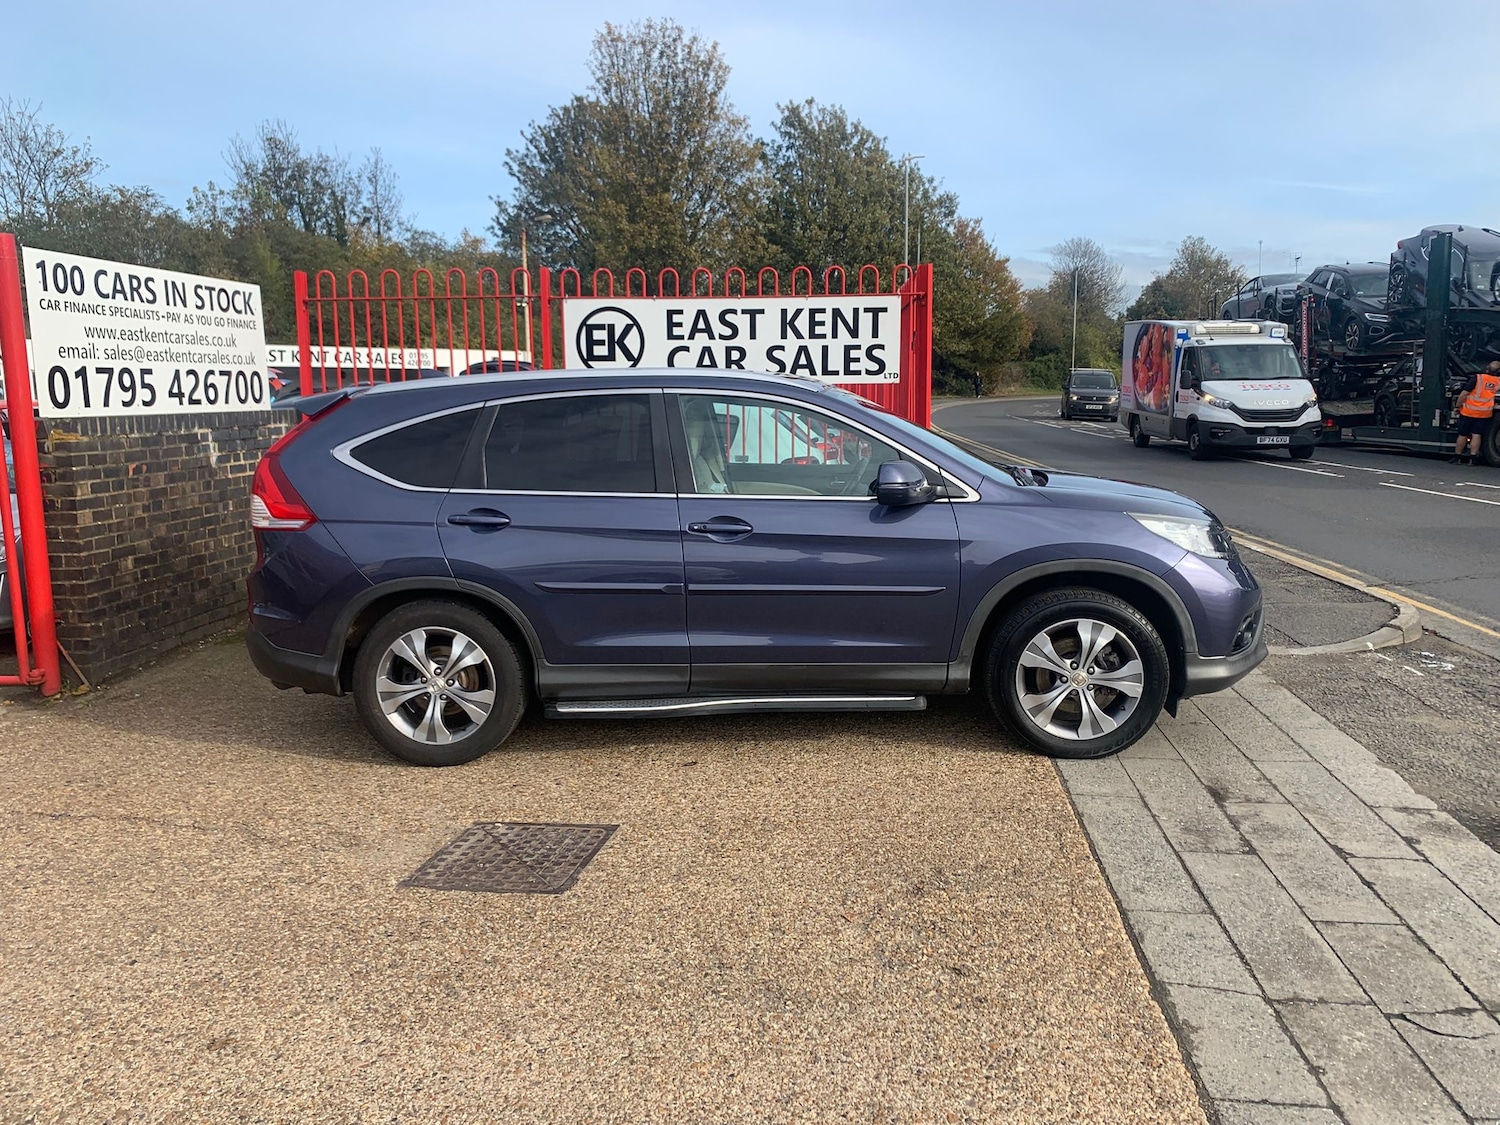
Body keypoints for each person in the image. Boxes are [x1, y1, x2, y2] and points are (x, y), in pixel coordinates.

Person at [1451, 360, 1499, 465]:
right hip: (1484, 413)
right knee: (1477, 435)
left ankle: (1457, 457)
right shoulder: (1497, 381)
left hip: (1469, 411)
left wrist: (1457, 406)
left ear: (1487, 368)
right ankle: (1473, 459)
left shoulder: (1478, 378)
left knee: (1463, 434)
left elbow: (1464, 394)